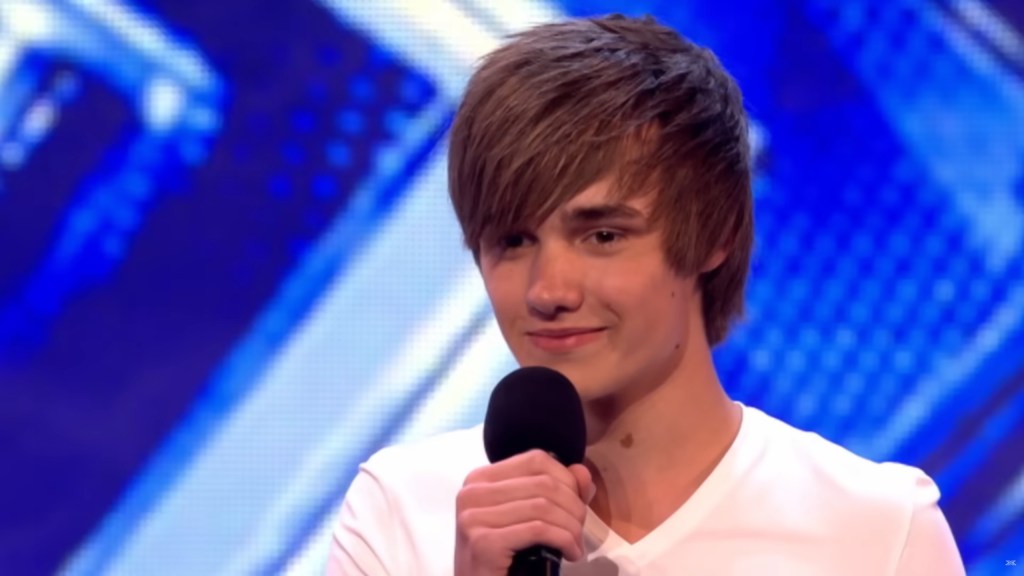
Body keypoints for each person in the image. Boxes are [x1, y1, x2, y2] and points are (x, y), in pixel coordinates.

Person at [327, 13, 964, 575]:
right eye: (513, 241)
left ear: (712, 234)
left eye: (602, 235)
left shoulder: (876, 533)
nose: (548, 291)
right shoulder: (399, 512)